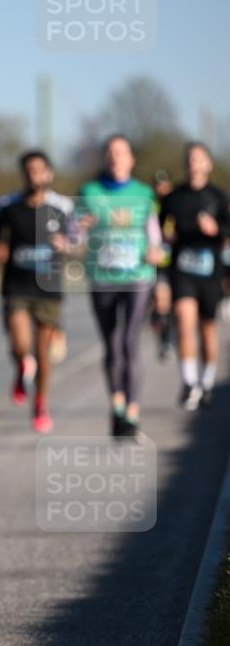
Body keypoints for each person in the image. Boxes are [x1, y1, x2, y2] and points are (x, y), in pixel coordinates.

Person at [75, 135, 162, 439]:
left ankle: (133, 411)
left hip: (138, 275)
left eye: (121, 153)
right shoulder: (89, 191)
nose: (115, 158)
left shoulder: (144, 193)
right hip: (102, 277)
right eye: (110, 153)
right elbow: (75, 236)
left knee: (129, 342)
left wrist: (156, 252)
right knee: (111, 343)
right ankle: (117, 404)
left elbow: (155, 235)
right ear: (105, 158)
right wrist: (78, 230)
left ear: (131, 158)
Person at [0, 150, 73, 433]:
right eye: (28, 170)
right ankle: (21, 366)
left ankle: (40, 403)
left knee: (43, 351)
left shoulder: (62, 207)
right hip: (16, 285)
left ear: (48, 173)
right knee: (19, 343)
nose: (34, 175)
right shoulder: (8, 206)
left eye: (39, 170)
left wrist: (69, 243)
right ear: (23, 174)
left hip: (48, 288)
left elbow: (79, 240)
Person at [159, 142, 230, 409]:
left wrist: (216, 229)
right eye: (189, 159)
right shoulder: (174, 196)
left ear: (208, 164)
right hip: (182, 269)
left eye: (199, 159)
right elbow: (158, 225)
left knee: (207, 329)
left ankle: (207, 382)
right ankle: (189, 382)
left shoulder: (219, 196)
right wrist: (165, 237)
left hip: (210, 271)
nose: (194, 164)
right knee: (183, 320)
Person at [150, 170, 175, 361]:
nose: (161, 188)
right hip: (158, 260)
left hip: (176, 261)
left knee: (171, 302)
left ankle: (169, 338)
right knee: (160, 300)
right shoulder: (152, 205)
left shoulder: (177, 203)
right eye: (158, 185)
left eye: (164, 185)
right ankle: (165, 339)